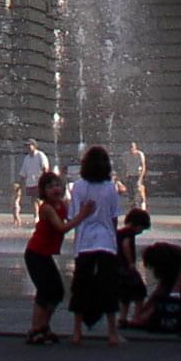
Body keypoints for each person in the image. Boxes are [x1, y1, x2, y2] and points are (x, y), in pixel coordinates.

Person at [63, 143, 120, 344]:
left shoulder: (78, 187)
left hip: (84, 243)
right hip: (106, 242)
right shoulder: (111, 188)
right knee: (109, 287)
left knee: (80, 287)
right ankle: (112, 332)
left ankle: (77, 332)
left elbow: (74, 216)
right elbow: (114, 218)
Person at [25, 169, 74, 342]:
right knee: (46, 292)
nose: (55, 189)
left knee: (57, 292)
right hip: (35, 254)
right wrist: (83, 215)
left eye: (58, 185)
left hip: (44, 254)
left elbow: (71, 216)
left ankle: (43, 326)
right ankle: (36, 329)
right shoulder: (46, 208)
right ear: (43, 191)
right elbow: (62, 228)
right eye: (50, 186)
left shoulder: (62, 205)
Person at [19, 141, 50, 218]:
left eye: (29, 145)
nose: (28, 147)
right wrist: (20, 184)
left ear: (34, 146)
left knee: (37, 199)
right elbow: (23, 173)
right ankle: (37, 216)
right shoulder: (26, 158)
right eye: (26, 146)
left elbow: (45, 168)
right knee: (33, 200)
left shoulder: (40, 155)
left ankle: (40, 216)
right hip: (30, 183)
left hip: (39, 182)